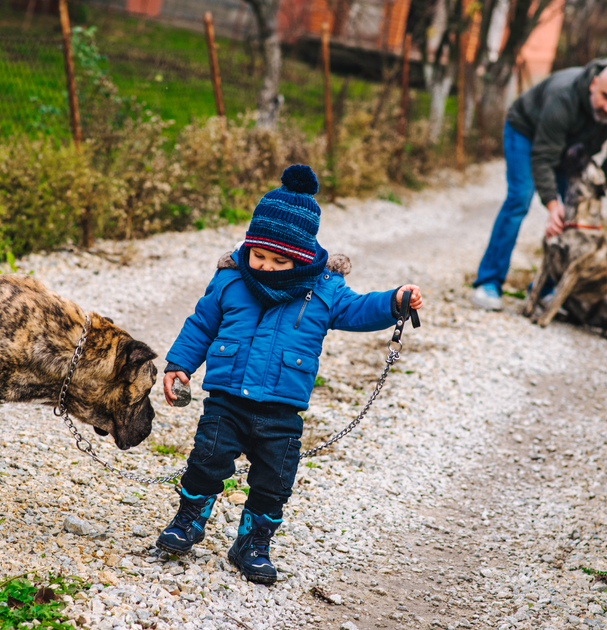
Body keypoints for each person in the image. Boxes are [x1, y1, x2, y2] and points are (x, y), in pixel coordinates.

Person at [155, 164, 423, 585]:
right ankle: (188, 520)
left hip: (283, 409)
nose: (264, 266)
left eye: (278, 260)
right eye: (257, 255)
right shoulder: (230, 280)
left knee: (274, 482)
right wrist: (178, 366)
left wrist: (395, 301)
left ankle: (253, 542)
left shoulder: (325, 289)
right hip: (227, 398)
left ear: (301, 257)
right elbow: (201, 325)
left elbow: (358, 310)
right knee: (206, 461)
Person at [471, 60, 607, 311]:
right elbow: (543, 157)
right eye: (605, 97)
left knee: (573, 214)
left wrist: (595, 188)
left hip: (572, 150)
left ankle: (546, 289)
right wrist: (553, 205)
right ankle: (488, 282)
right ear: (594, 84)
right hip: (527, 133)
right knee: (520, 198)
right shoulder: (564, 96)